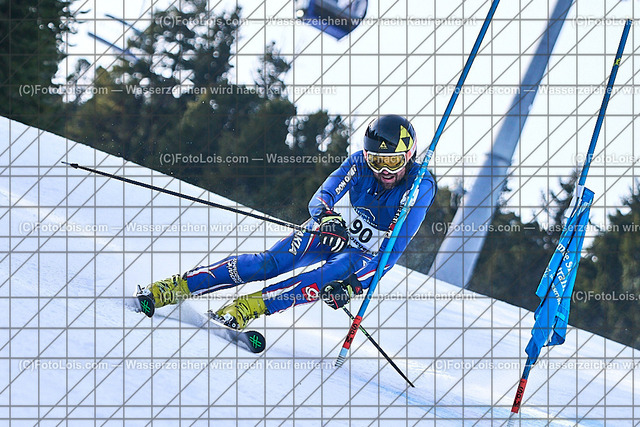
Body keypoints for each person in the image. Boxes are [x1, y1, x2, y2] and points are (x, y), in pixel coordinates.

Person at [133, 115, 437, 330]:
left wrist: (354, 286)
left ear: (409, 156)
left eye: (393, 162)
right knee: (269, 264)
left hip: (362, 253)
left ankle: (246, 308)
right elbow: (321, 198)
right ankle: (176, 286)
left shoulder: (420, 187)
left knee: (323, 278)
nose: (384, 171)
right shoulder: (358, 162)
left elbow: (390, 255)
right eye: (377, 161)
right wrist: (327, 218)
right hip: (330, 232)